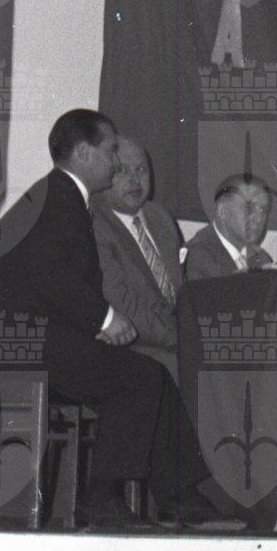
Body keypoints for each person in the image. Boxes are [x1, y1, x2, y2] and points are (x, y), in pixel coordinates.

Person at [0, 108, 215, 529]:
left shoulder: (57, 196)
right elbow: (50, 275)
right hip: (29, 347)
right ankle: (103, 498)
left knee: (150, 374)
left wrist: (96, 324)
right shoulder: (60, 198)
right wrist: (105, 320)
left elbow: (52, 281)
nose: (115, 159)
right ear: (84, 153)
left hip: (30, 340)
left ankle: (179, 494)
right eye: (110, 150)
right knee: (141, 378)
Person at [90, 135, 182, 381]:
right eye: (122, 170)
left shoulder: (159, 217)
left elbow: (180, 290)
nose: (134, 180)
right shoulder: (93, 224)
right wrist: (183, 337)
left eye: (141, 169)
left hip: (172, 342)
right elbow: (123, 305)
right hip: (130, 347)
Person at [184, 175, 277, 280]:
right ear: (222, 210)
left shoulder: (262, 259)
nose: (259, 218)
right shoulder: (196, 258)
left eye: (262, 210)